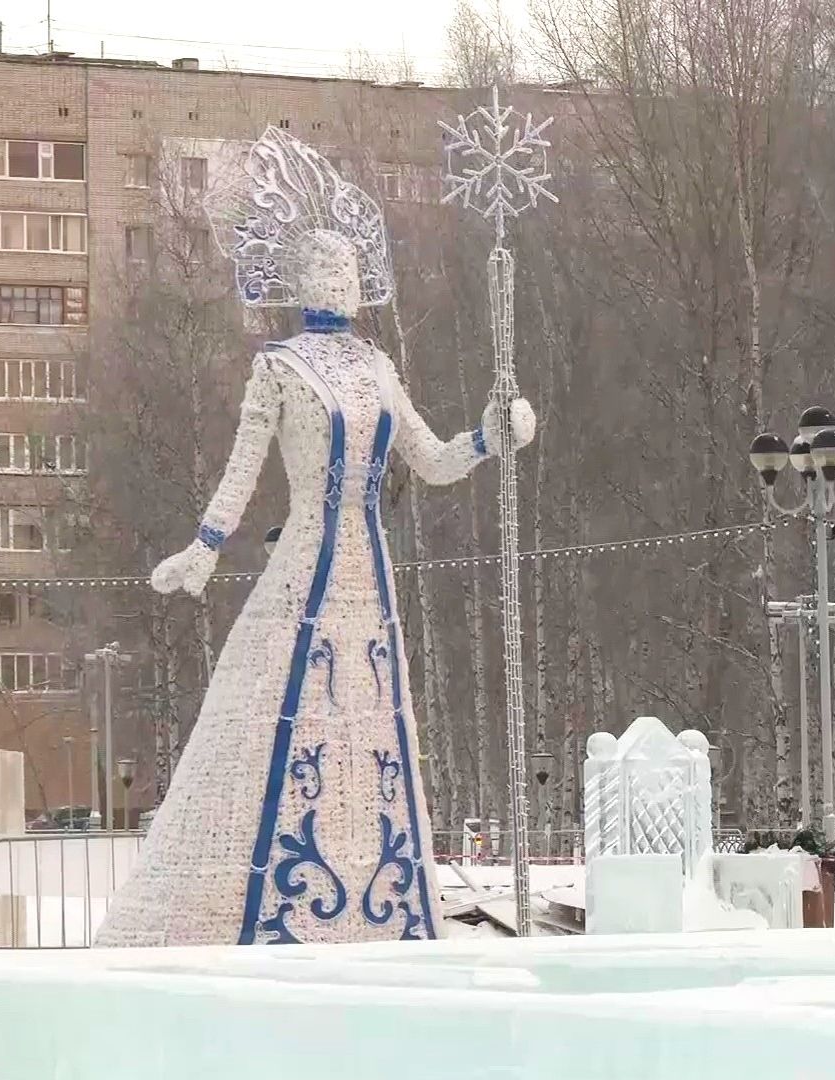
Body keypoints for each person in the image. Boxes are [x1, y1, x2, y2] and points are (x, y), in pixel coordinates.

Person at [95, 129, 535, 947]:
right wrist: (205, 546)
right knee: (274, 705)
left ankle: (377, 901)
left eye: (349, 265)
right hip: (304, 562)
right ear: (301, 278)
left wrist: (490, 437)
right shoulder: (279, 367)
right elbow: (241, 467)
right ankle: (264, 897)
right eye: (327, 265)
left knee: (372, 720)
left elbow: (431, 461)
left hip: (371, 575)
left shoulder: (377, 367)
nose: (342, 276)